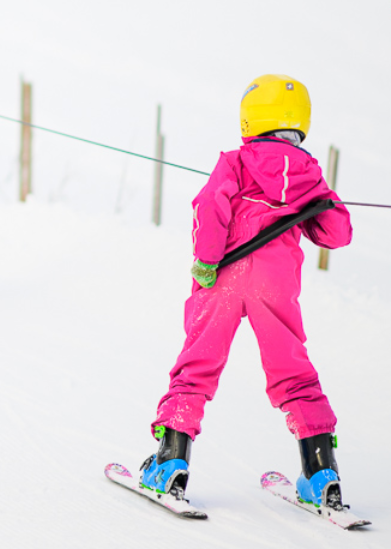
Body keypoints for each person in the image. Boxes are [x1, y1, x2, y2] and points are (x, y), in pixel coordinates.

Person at [136, 74, 354, 511]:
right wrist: (322, 201)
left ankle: (171, 461)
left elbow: (209, 206)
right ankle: (320, 471)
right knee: (292, 371)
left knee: (197, 364)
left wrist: (206, 259)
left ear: (251, 118)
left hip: (225, 275)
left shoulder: (236, 161)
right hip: (276, 284)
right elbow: (336, 234)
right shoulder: (310, 174)